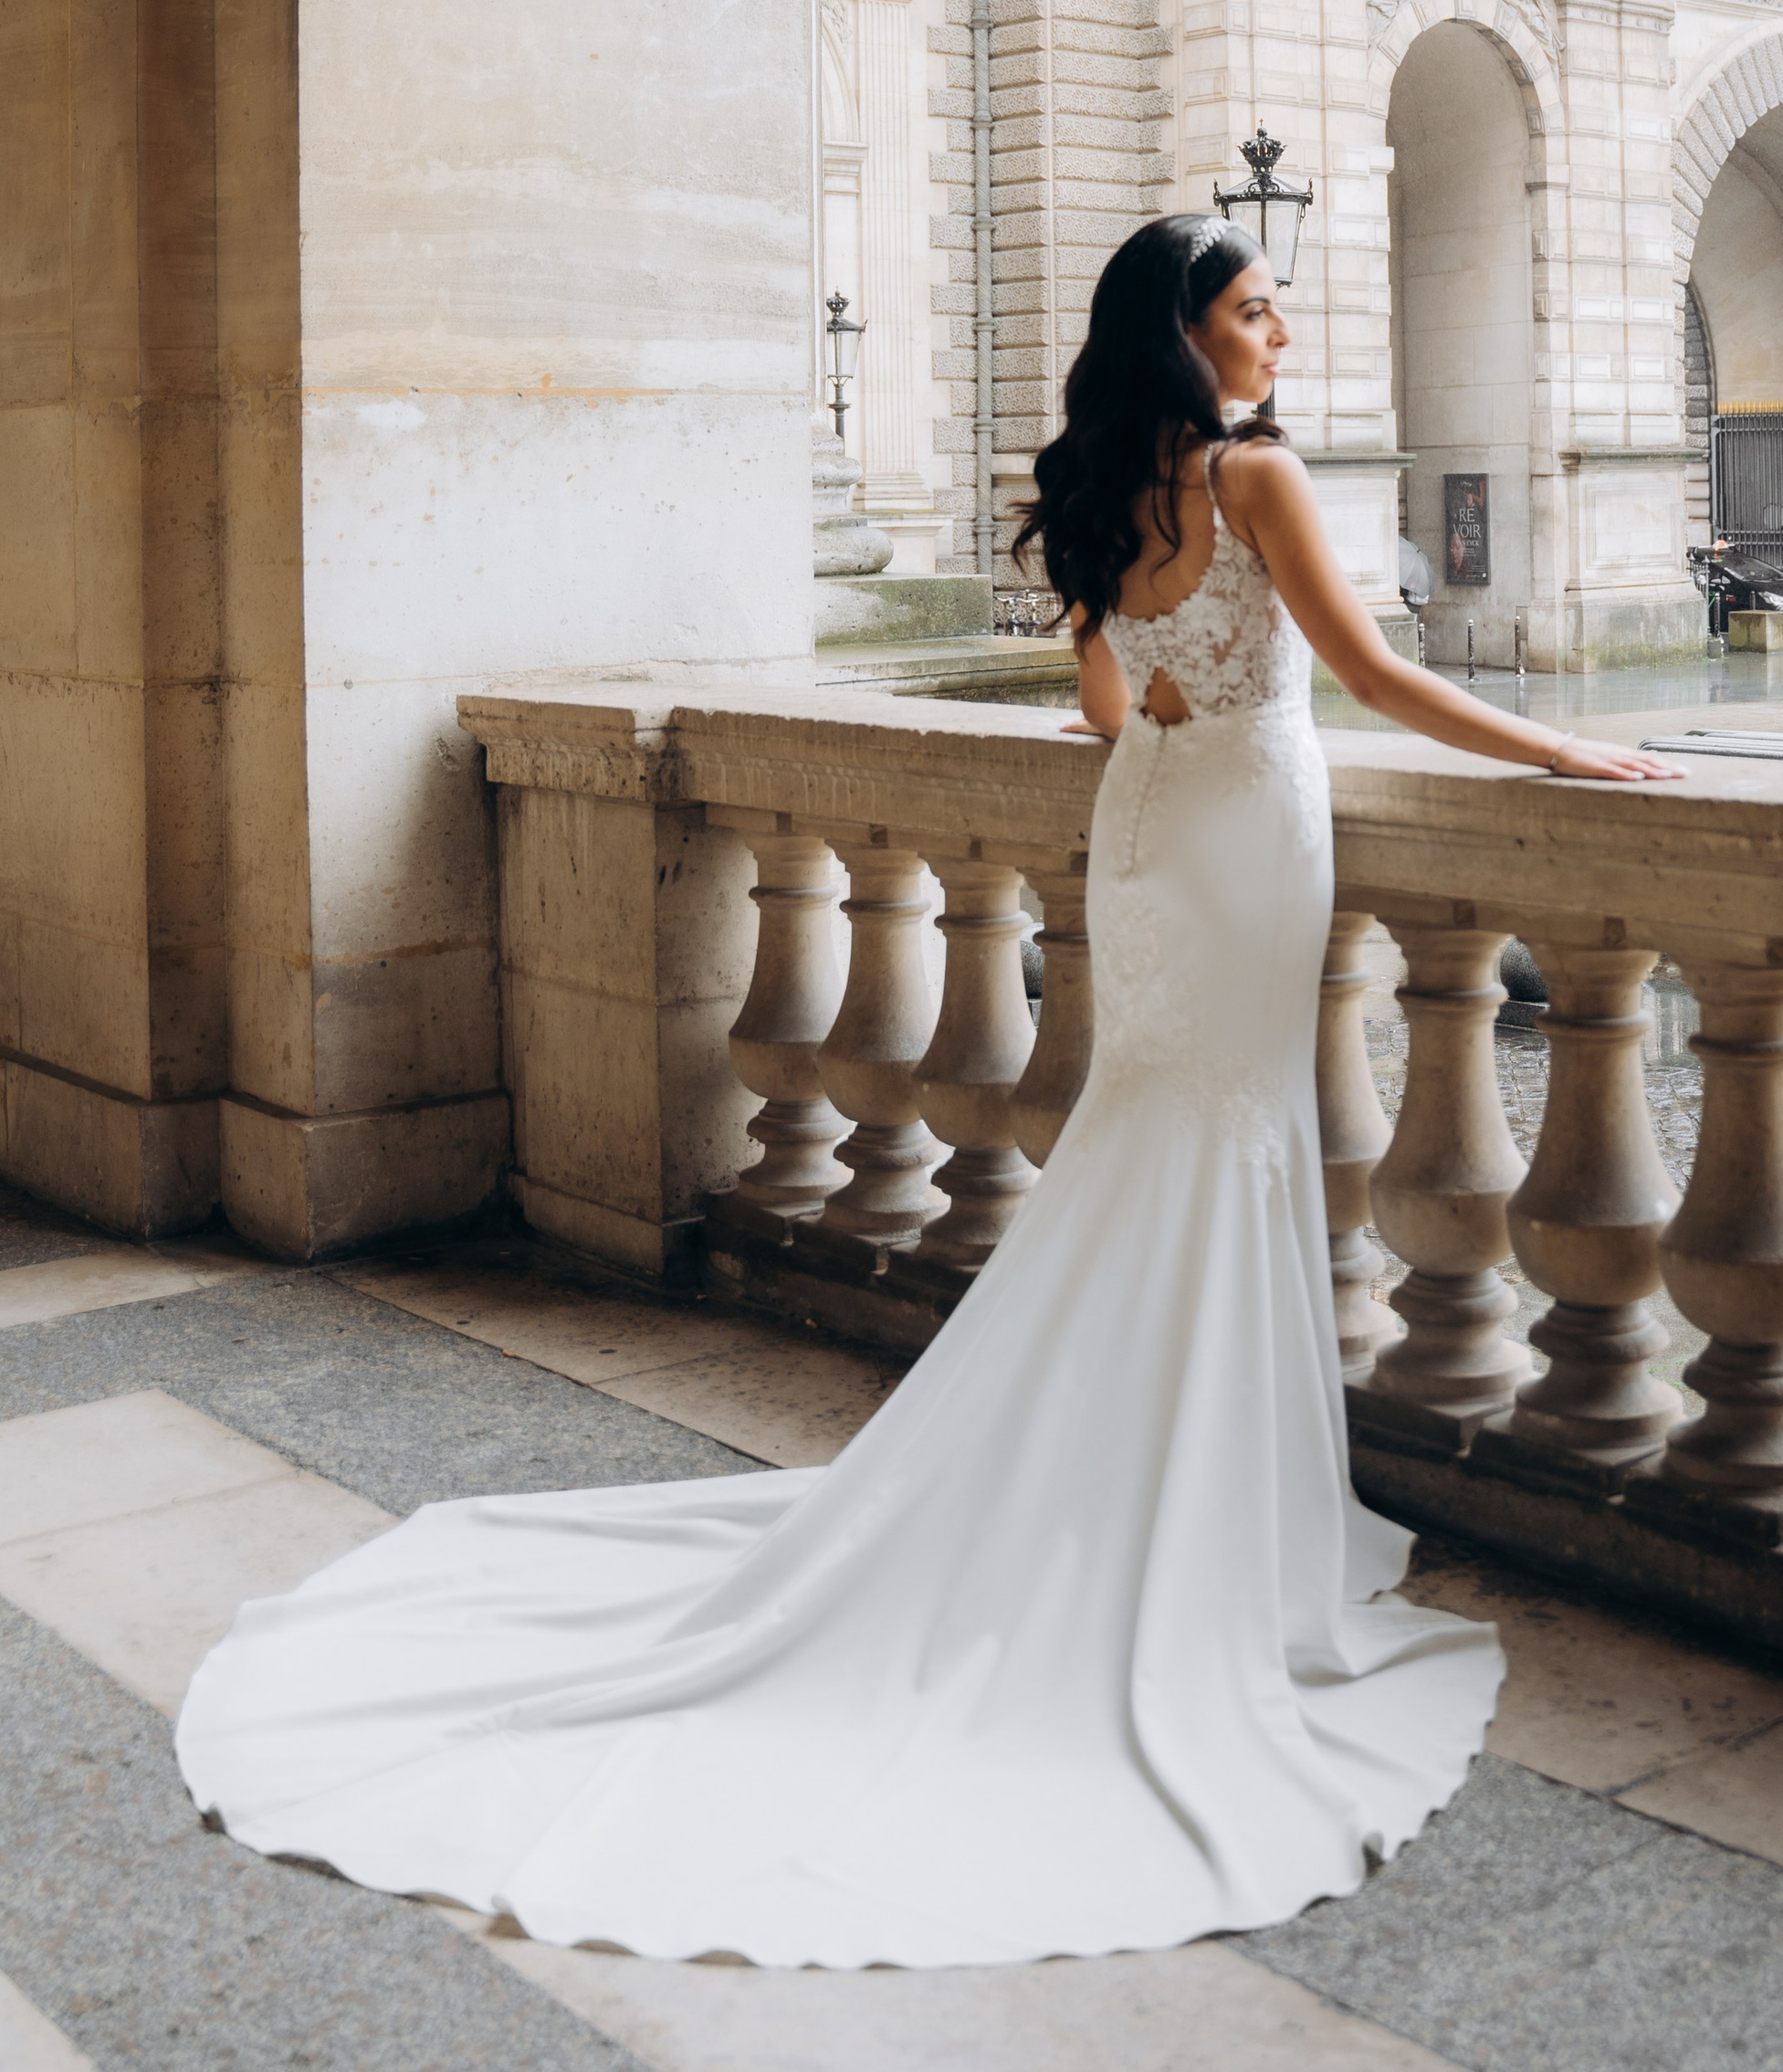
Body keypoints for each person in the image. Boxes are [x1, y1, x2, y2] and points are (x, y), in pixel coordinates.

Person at [175, 216, 1680, 1968]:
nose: (1282, 331)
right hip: (1251, 833)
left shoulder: (1113, 477)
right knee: (1227, 1146)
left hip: (1155, 833)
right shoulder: (1260, 478)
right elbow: (1369, 677)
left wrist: (1161, 708)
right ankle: (1217, 1509)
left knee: (1158, 1137)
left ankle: (1148, 1479)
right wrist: (1566, 745)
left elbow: (1111, 700)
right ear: (1189, 335)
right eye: (1257, 309)